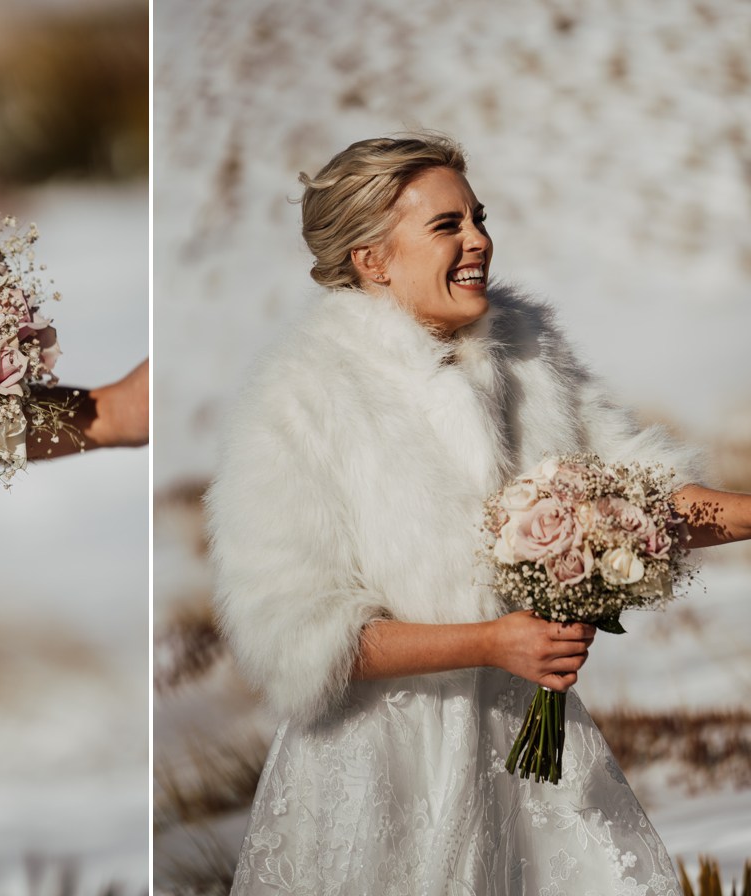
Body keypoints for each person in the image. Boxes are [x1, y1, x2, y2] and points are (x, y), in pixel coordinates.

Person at [206, 134, 751, 895]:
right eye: (447, 226)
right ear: (372, 259)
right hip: (382, 770)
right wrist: (492, 641)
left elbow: (636, 494)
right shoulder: (299, 398)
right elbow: (295, 634)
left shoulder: (527, 349)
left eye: (478, 218)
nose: (479, 242)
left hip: (531, 755)